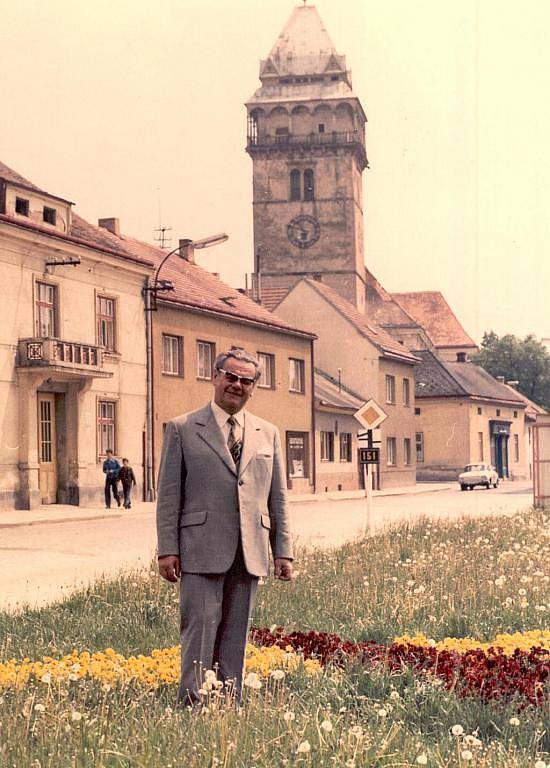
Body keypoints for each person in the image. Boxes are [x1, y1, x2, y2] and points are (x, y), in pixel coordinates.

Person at [156, 348, 293, 705]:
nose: (236, 385)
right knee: (199, 628)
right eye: (230, 376)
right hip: (200, 547)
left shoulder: (269, 433)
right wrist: (167, 549)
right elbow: (169, 496)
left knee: (235, 633)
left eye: (246, 380)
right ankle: (193, 702)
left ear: (254, 388)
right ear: (215, 377)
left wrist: (283, 551)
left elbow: (277, 497)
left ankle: (230, 700)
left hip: (249, 550)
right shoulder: (183, 428)